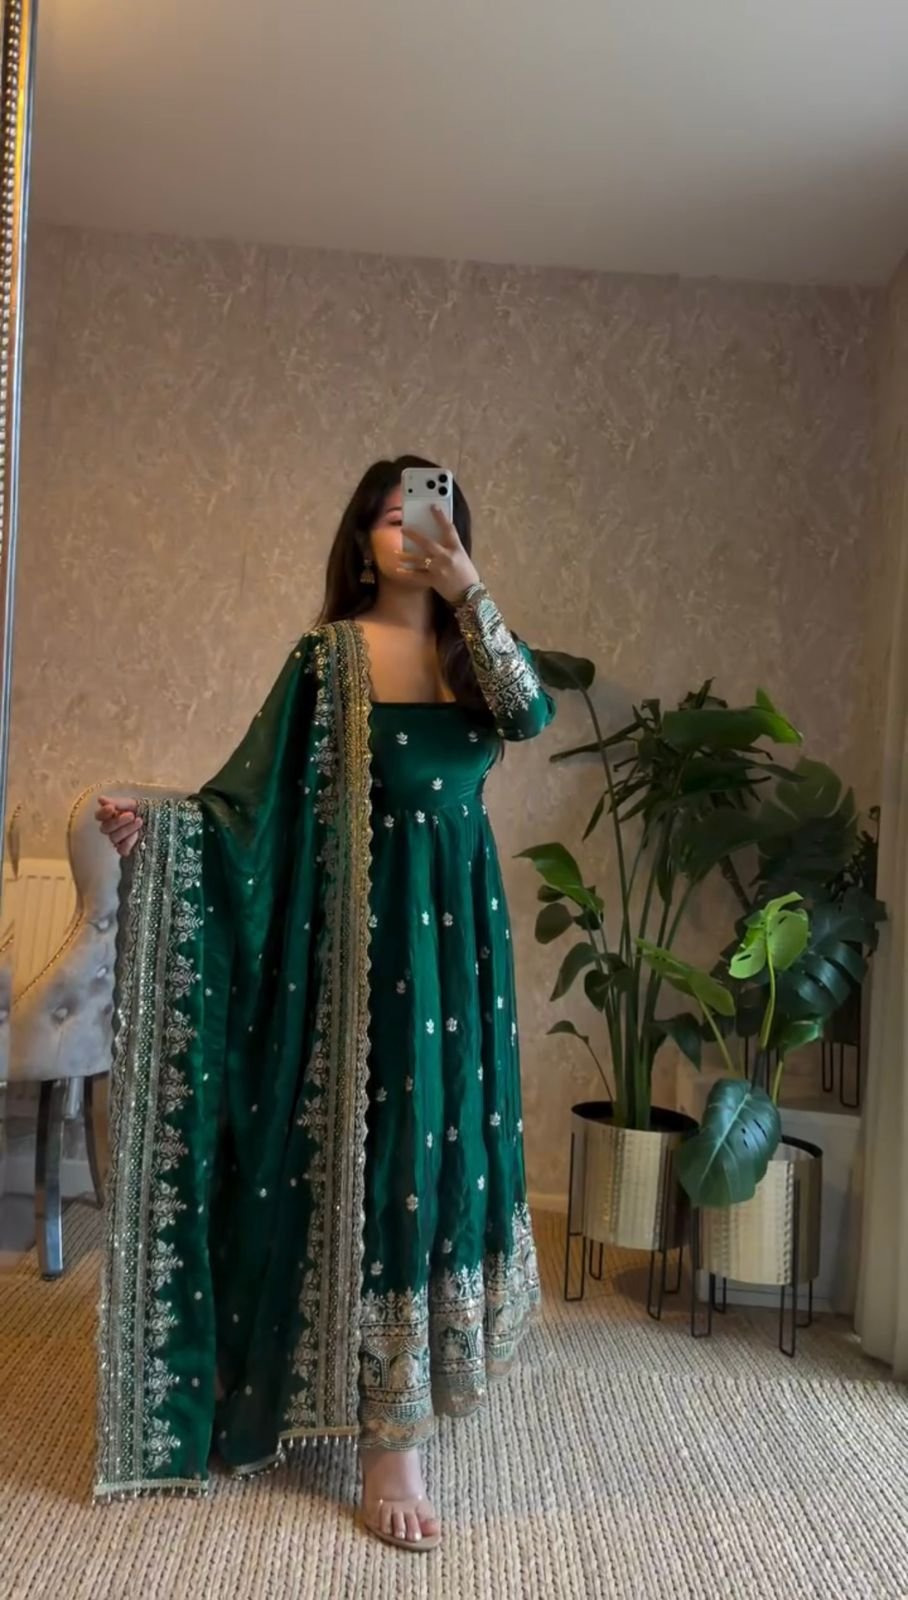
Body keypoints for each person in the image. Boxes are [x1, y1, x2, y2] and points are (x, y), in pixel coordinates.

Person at [94, 456, 555, 1553]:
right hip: (357, 950)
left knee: (446, 1147)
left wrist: (468, 588)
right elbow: (246, 806)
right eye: (392, 518)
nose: (412, 533)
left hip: (459, 942)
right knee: (388, 1153)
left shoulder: (472, 653)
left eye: (431, 516)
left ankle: (424, 1376)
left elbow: (530, 712)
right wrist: (166, 833)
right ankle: (389, 1438)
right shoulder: (328, 657)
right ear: (360, 542)